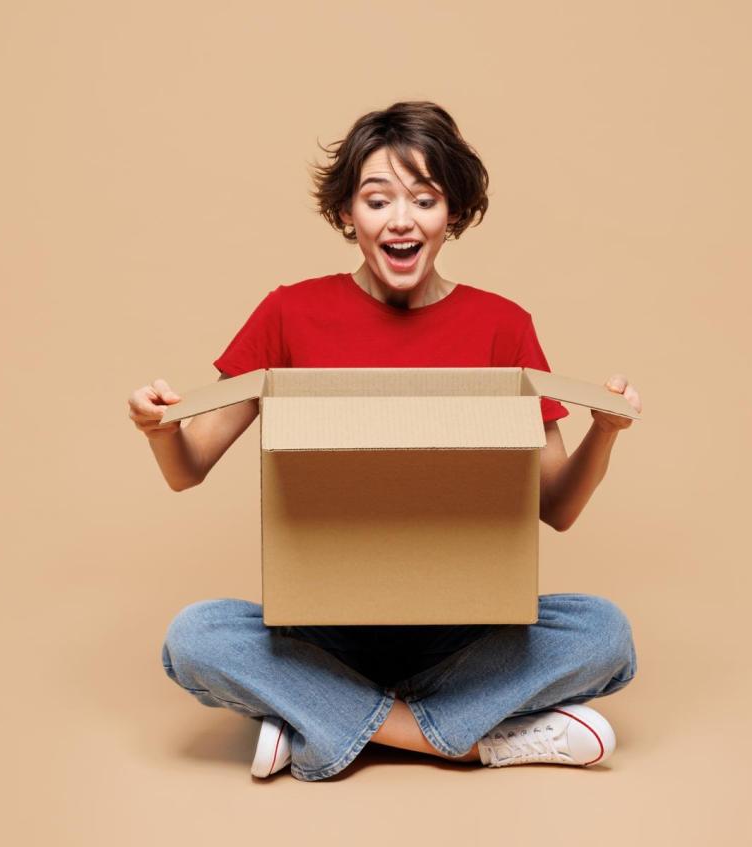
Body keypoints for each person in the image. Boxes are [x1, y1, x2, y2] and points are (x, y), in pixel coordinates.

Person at [127, 101, 642, 781]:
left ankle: (322, 721)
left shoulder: (502, 326)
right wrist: (155, 429)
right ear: (348, 214)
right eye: (377, 199)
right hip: (323, 633)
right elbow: (187, 467)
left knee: (606, 634)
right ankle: (469, 740)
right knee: (193, 638)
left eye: (424, 199)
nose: (401, 218)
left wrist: (604, 433)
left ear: (451, 215)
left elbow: (559, 506)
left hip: (462, 635)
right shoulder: (289, 313)